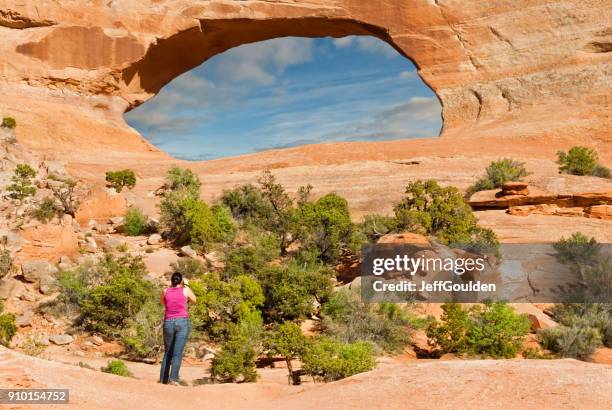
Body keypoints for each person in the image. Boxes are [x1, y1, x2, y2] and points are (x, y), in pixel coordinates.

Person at [159, 271, 196, 385]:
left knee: (167, 352)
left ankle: (163, 380)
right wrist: (186, 286)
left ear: (171, 281)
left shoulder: (165, 291)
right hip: (182, 322)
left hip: (168, 322)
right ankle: (173, 379)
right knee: (177, 353)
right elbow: (195, 300)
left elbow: (162, 302)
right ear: (181, 281)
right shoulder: (185, 290)